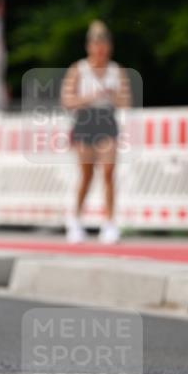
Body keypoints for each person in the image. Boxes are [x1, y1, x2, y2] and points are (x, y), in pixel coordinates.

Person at [60, 20, 131, 244]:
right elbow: (66, 100)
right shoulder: (78, 69)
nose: (100, 49)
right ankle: (75, 220)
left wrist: (111, 95)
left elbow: (126, 101)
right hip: (85, 120)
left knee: (109, 172)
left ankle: (109, 223)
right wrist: (89, 97)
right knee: (87, 174)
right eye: (96, 44)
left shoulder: (116, 70)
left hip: (106, 120)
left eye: (103, 44)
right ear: (89, 46)